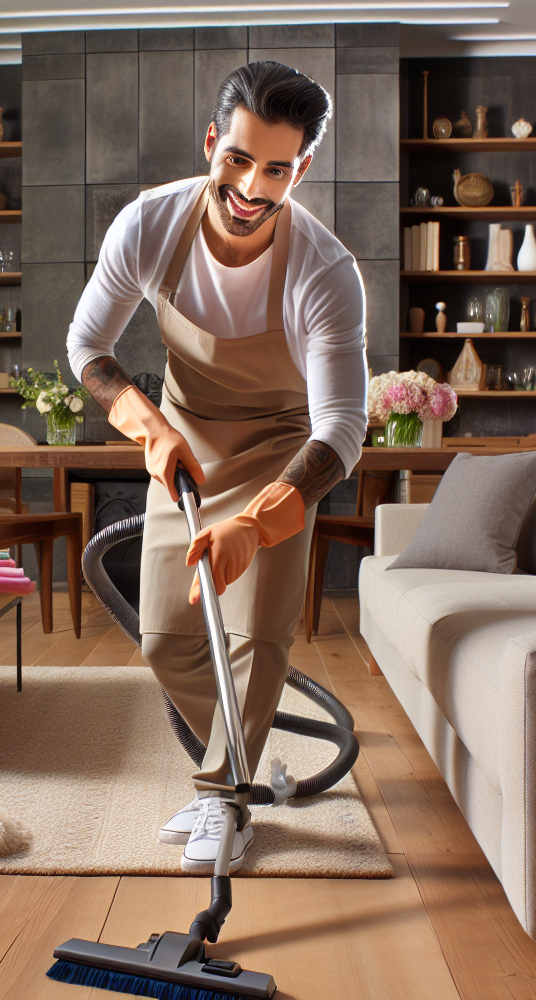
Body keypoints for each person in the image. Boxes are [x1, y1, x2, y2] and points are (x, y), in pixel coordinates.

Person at [66, 61, 367, 872]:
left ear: (300, 170)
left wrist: (262, 518)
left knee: (254, 638)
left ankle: (226, 799)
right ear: (212, 143)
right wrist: (148, 427)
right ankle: (244, 759)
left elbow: (343, 426)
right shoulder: (149, 226)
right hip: (187, 448)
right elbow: (86, 346)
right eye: (238, 158)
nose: (250, 186)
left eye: (276, 168)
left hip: (280, 452)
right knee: (167, 639)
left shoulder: (325, 272)